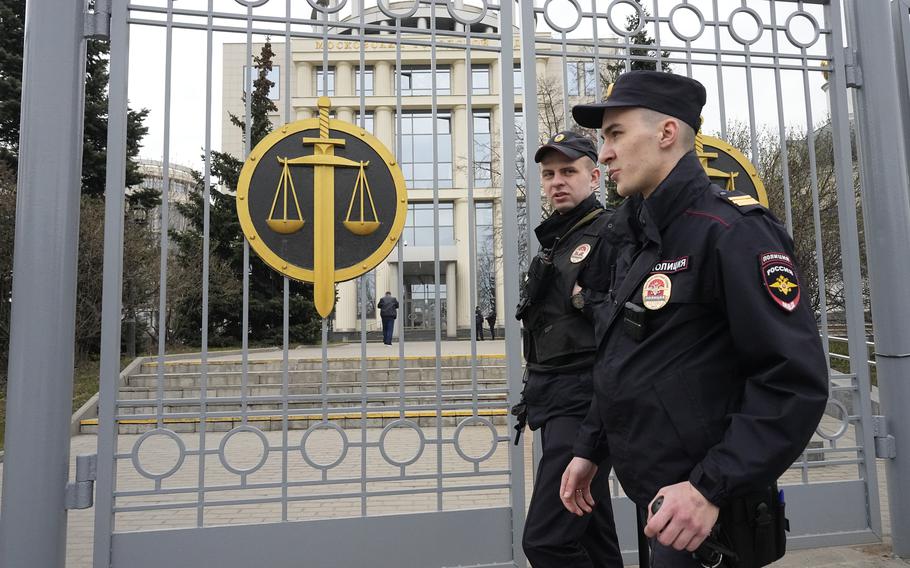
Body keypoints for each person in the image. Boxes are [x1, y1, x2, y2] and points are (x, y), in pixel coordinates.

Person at [558, 71, 829, 567]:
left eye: (616, 135)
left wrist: (709, 488)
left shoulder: (732, 232)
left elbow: (793, 380)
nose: (604, 155)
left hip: (710, 513)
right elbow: (627, 356)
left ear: (666, 134)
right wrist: (590, 448)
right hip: (660, 502)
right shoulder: (638, 236)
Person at [515, 131, 622, 568]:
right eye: (549, 174)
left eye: (569, 171)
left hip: (583, 402)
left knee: (545, 541)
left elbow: (629, 317)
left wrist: (585, 299)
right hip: (555, 398)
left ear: (594, 177)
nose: (557, 181)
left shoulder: (611, 232)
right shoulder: (556, 240)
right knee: (592, 531)